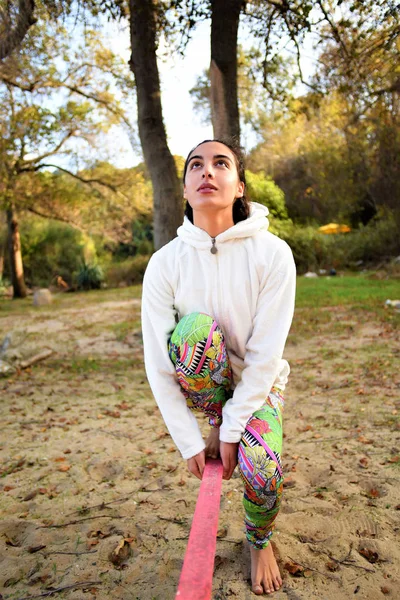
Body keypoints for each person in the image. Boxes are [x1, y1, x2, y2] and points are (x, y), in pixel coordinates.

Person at [141, 139, 296, 595]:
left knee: (262, 468)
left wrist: (232, 431)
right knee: (192, 331)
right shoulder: (165, 263)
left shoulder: (273, 254)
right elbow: (157, 360)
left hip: (259, 384)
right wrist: (191, 437)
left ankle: (259, 540)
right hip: (204, 383)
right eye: (195, 165)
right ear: (186, 190)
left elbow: (266, 356)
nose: (207, 171)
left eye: (220, 163)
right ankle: (217, 417)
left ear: (240, 185)